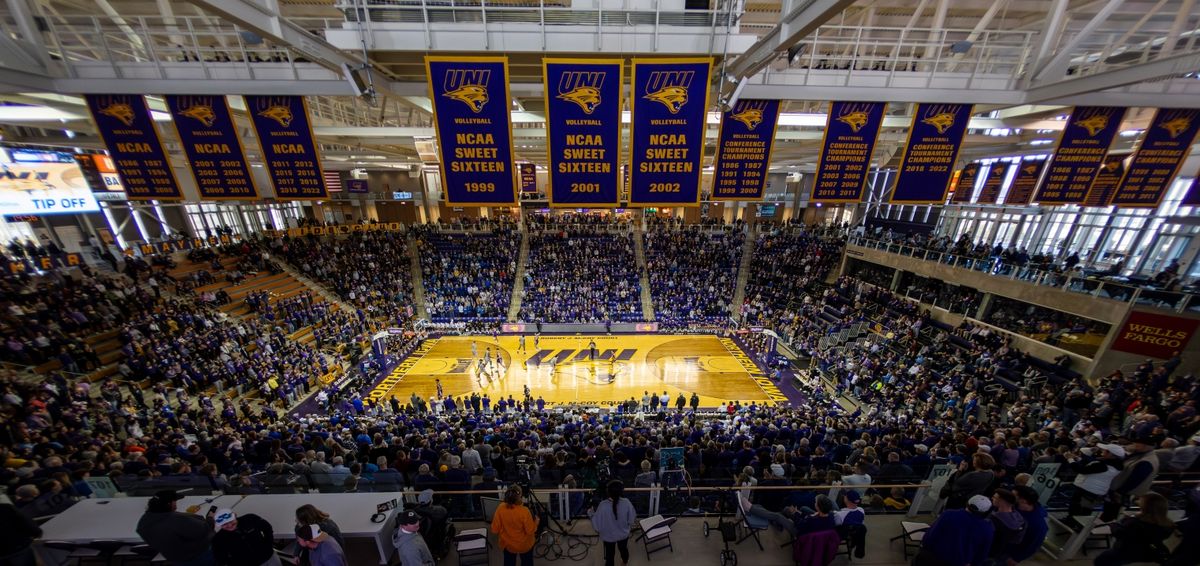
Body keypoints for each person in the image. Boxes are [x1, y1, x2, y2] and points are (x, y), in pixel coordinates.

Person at [135, 490, 216, 566]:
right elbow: (206, 529)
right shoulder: (177, 520)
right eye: (175, 501)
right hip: (197, 556)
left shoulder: (143, 521)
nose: (176, 503)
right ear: (169, 504)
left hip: (174, 558)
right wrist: (210, 518)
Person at [1093, 493, 1175, 566]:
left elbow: (1119, 533)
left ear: (1145, 508)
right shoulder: (1169, 524)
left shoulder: (1134, 524)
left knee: (1100, 560)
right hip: (1150, 552)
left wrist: (1113, 524)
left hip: (1128, 552)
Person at [916, 494, 994, 566]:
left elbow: (930, 536)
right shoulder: (987, 528)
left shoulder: (948, 514)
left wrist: (924, 548)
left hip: (933, 557)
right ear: (986, 512)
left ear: (967, 503)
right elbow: (982, 554)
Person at [588, 480, 637, 566]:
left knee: (609, 555)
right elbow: (631, 519)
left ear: (608, 492)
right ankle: (625, 561)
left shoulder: (603, 505)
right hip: (623, 535)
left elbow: (597, 526)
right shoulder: (626, 502)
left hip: (608, 537)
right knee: (623, 549)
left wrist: (590, 513)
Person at [211, 508, 280, 566]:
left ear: (235, 515)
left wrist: (268, 544)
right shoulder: (218, 539)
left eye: (231, 521)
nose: (229, 525)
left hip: (270, 558)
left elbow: (267, 528)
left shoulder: (250, 518)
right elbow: (220, 558)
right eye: (224, 524)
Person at [491, 485, 538, 566]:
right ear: (520, 496)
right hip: (524, 545)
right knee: (527, 562)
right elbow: (530, 531)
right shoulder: (524, 511)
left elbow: (494, 529)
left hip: (507, 545)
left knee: (509, 562)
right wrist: (536, 522)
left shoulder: (500, 507)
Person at [1008, 486, 1048, 565]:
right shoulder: (1014, 506)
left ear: (1023, 501)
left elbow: (1033, 544)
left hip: (1009, 553)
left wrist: (1016, 559)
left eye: (1013, 496)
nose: (1009, 497)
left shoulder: (1037, 523)